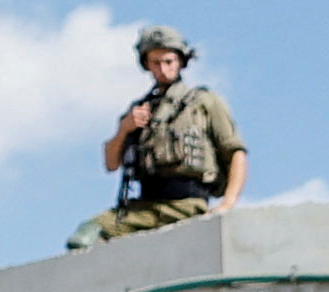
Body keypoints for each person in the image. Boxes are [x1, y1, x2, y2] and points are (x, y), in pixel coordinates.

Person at [66, 27, 248, 251]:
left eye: (169, 61)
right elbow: (112, 163)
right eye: (155, 62)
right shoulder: (139, 109)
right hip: (143, 207)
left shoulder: (204, 102)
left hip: (188, 205)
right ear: (146, 65)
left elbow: (236, 152)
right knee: (85, 237)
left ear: (181, 60)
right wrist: (125, 129)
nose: (163, 69)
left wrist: (228, 204)